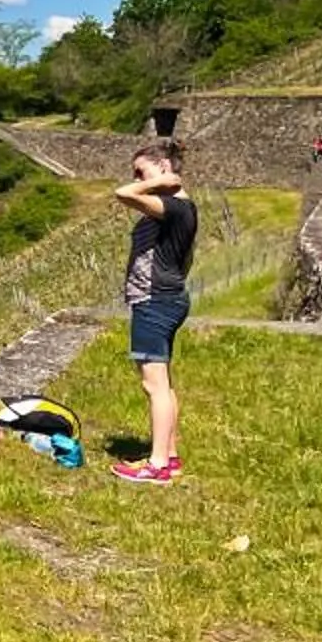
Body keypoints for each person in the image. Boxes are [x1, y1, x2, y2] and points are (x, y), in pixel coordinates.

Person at [111, 146, 196, 485]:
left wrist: (162, 180)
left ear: (162, 166)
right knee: (164, 384)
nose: (135, 179)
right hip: (166, 298)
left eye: (140, 171)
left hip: (154, 301)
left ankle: (157, 464)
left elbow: (122, 194)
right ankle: (170, 455)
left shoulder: (174, 207)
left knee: (154, 385)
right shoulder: (177, 209)